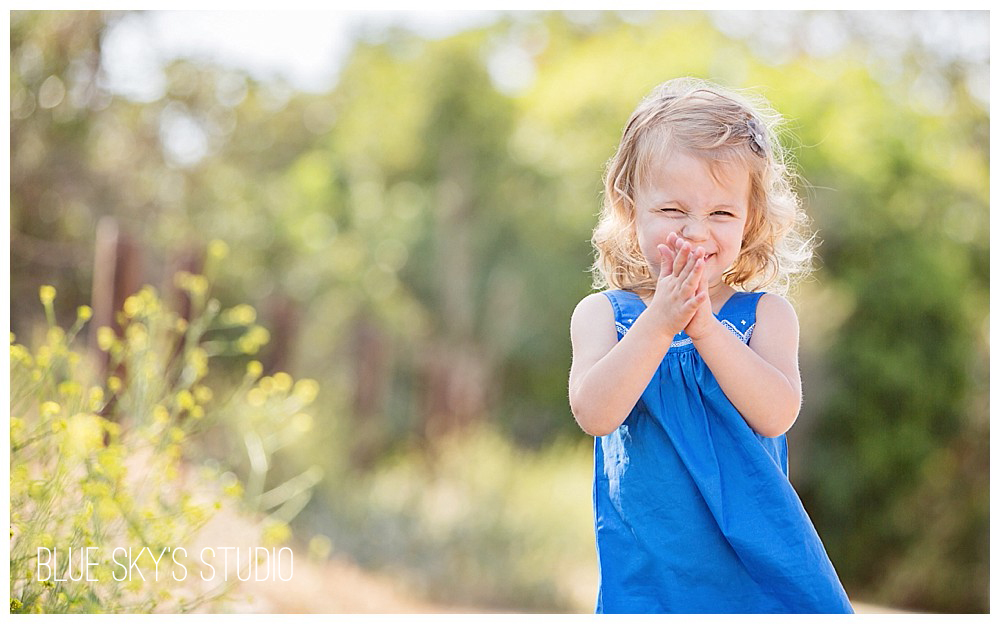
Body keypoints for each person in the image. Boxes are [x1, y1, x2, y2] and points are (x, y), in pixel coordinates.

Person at [568, 77, 854, 614]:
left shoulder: (766, 316)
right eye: (673, 210)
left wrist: (702, 327)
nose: (697, 231)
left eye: (721, 213)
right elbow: (594, 413)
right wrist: (660, 323)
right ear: (632, 212)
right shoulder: (604, 316)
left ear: (751, 223)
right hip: (652, 569)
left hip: (755, 563)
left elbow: (775, 414)